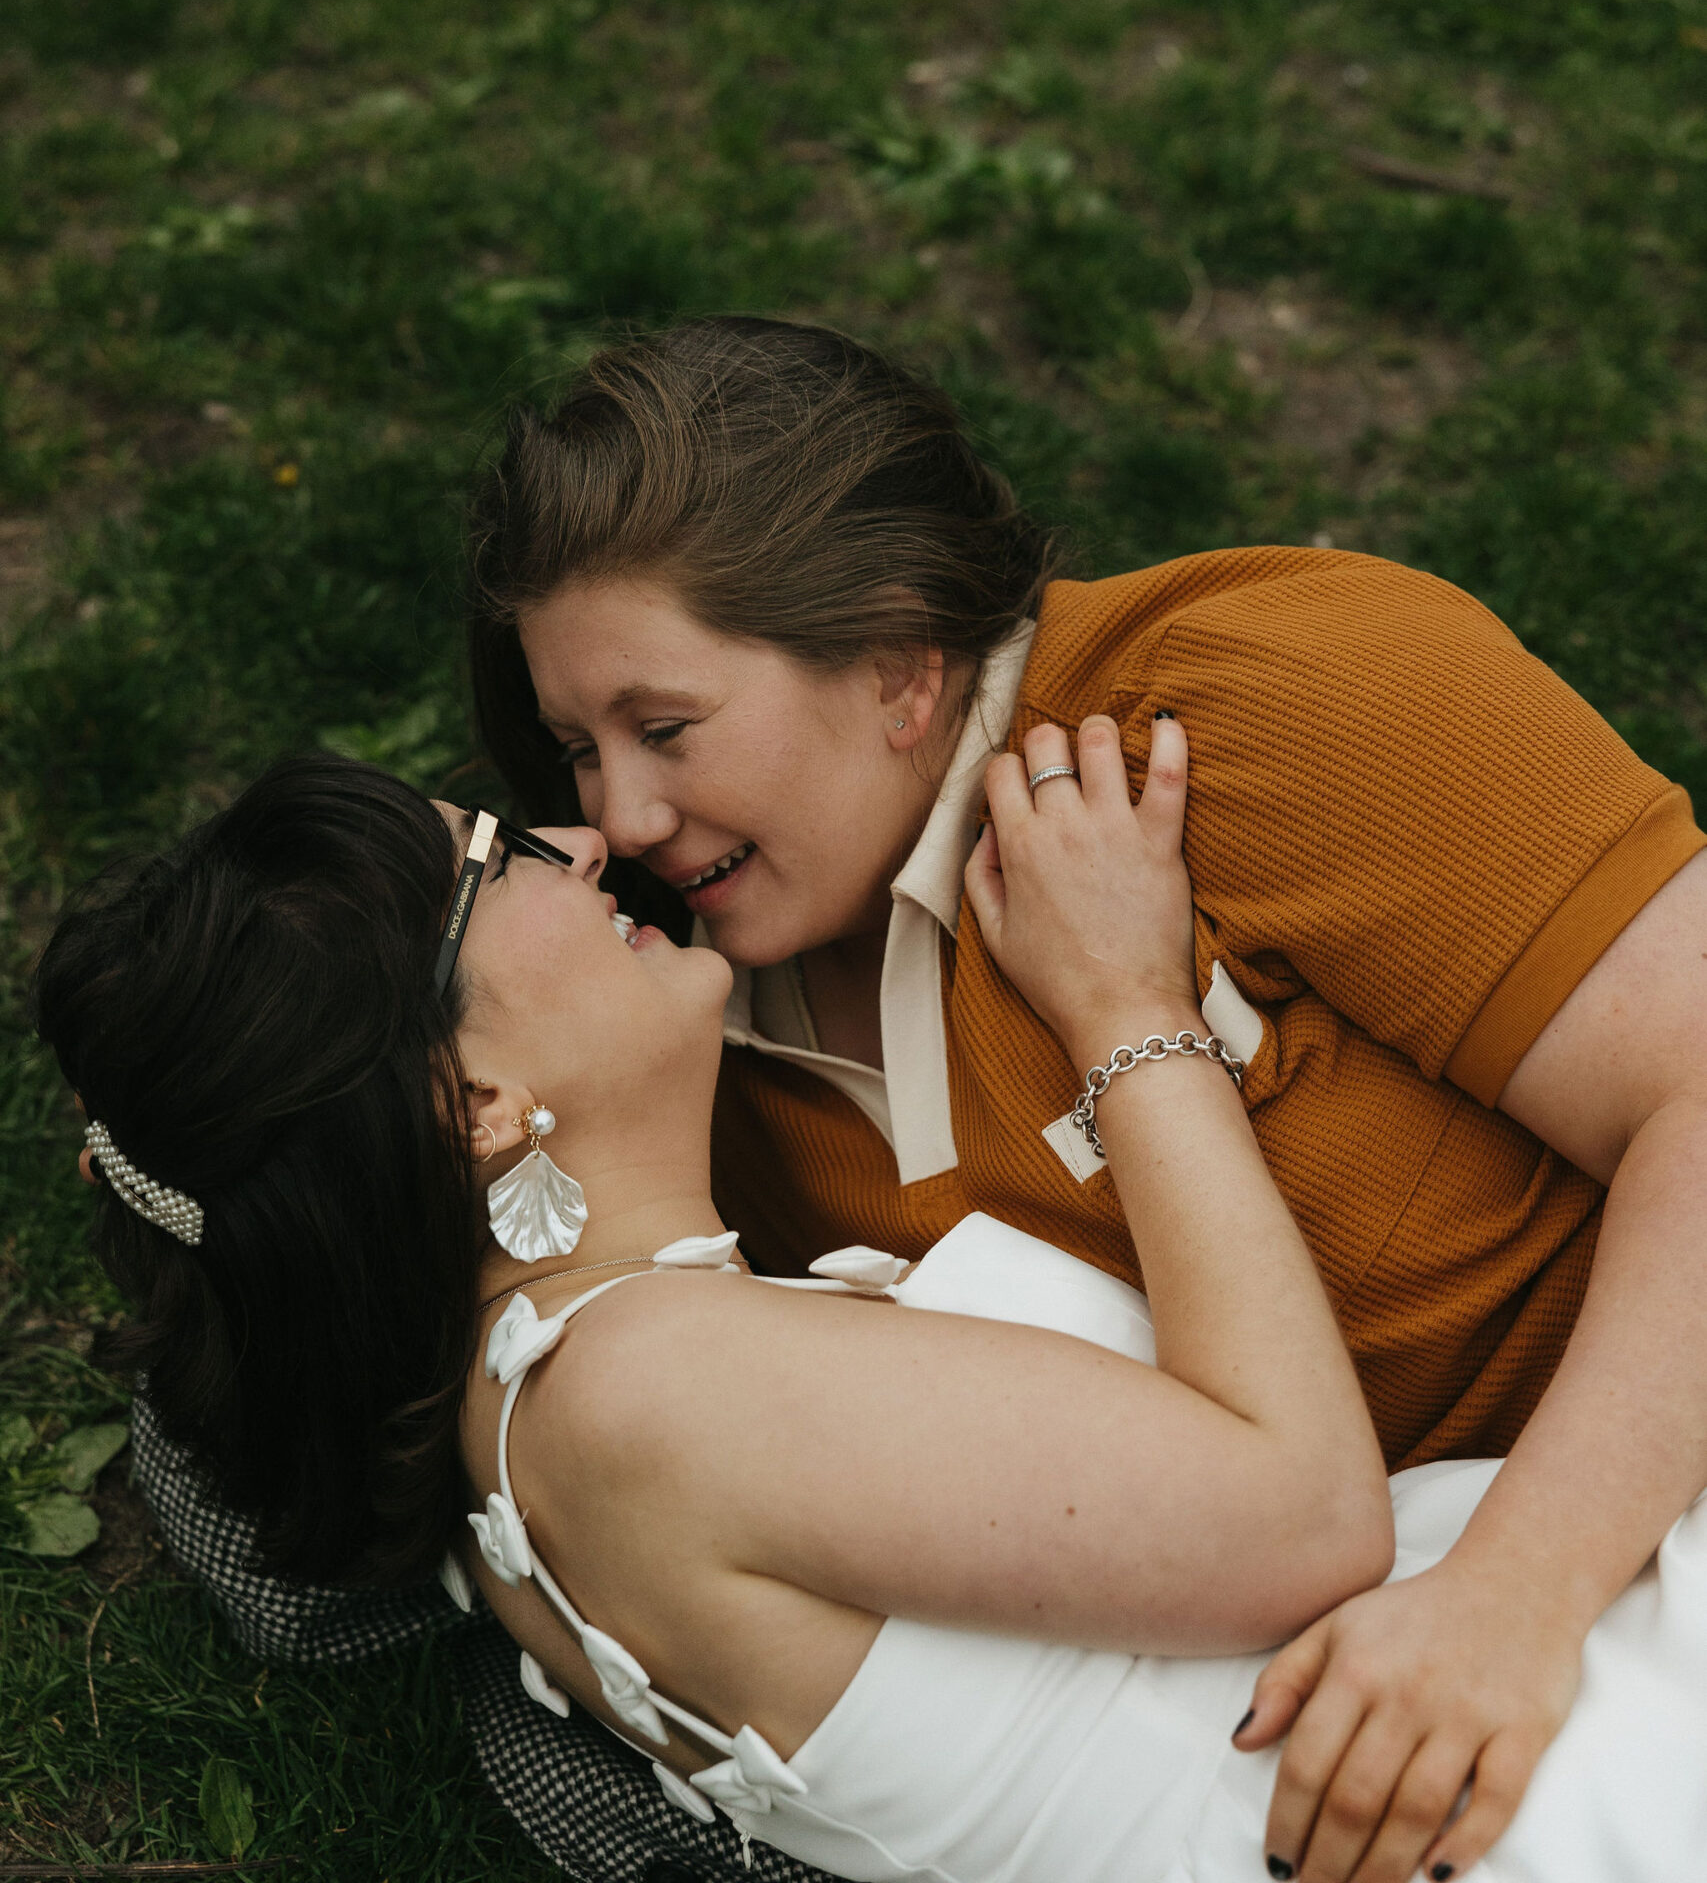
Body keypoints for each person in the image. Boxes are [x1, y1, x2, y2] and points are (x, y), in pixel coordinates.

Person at [460, 313, 1707, 1882]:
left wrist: (1522, 1594)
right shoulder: (674, 1054)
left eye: (668, 728)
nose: (620, 816)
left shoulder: (1265, 699)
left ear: (900, 663)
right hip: (1341, 1678)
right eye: (577, 748)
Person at [38, 737, 1707, 1883]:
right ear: (469, 1103)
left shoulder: (515, 1446)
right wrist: (1127, 1006)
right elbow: (1306, 1519)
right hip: (1543, 1798)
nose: (580, 836)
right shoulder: (646, 1394)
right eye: (491, 859)